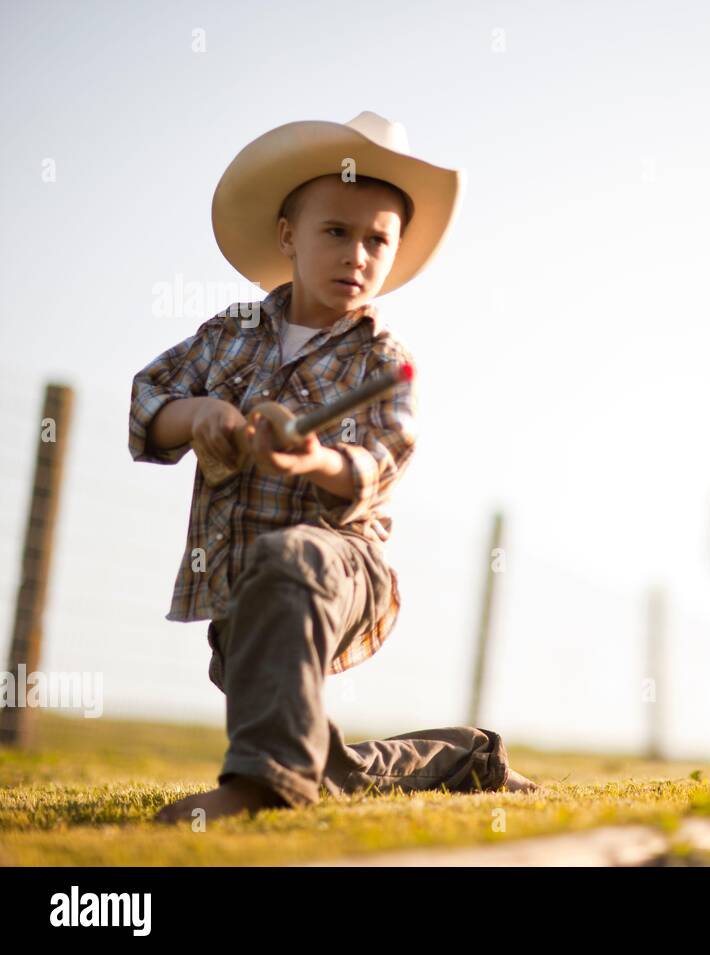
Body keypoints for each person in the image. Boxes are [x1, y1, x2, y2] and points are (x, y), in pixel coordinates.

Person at [129, 111, 539, 823]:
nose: (357, 254)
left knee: (294, 560)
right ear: (288, 235)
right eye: (336, 232)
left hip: (343, 570)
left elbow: (384, 458)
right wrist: (197, 418)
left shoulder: (382, 357)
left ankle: (258, 793)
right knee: (322, 760)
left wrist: (316, 458)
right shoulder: (231, 333)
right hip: (242, 590)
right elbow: (149, 397)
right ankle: (465, 756)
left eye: (377, 240)